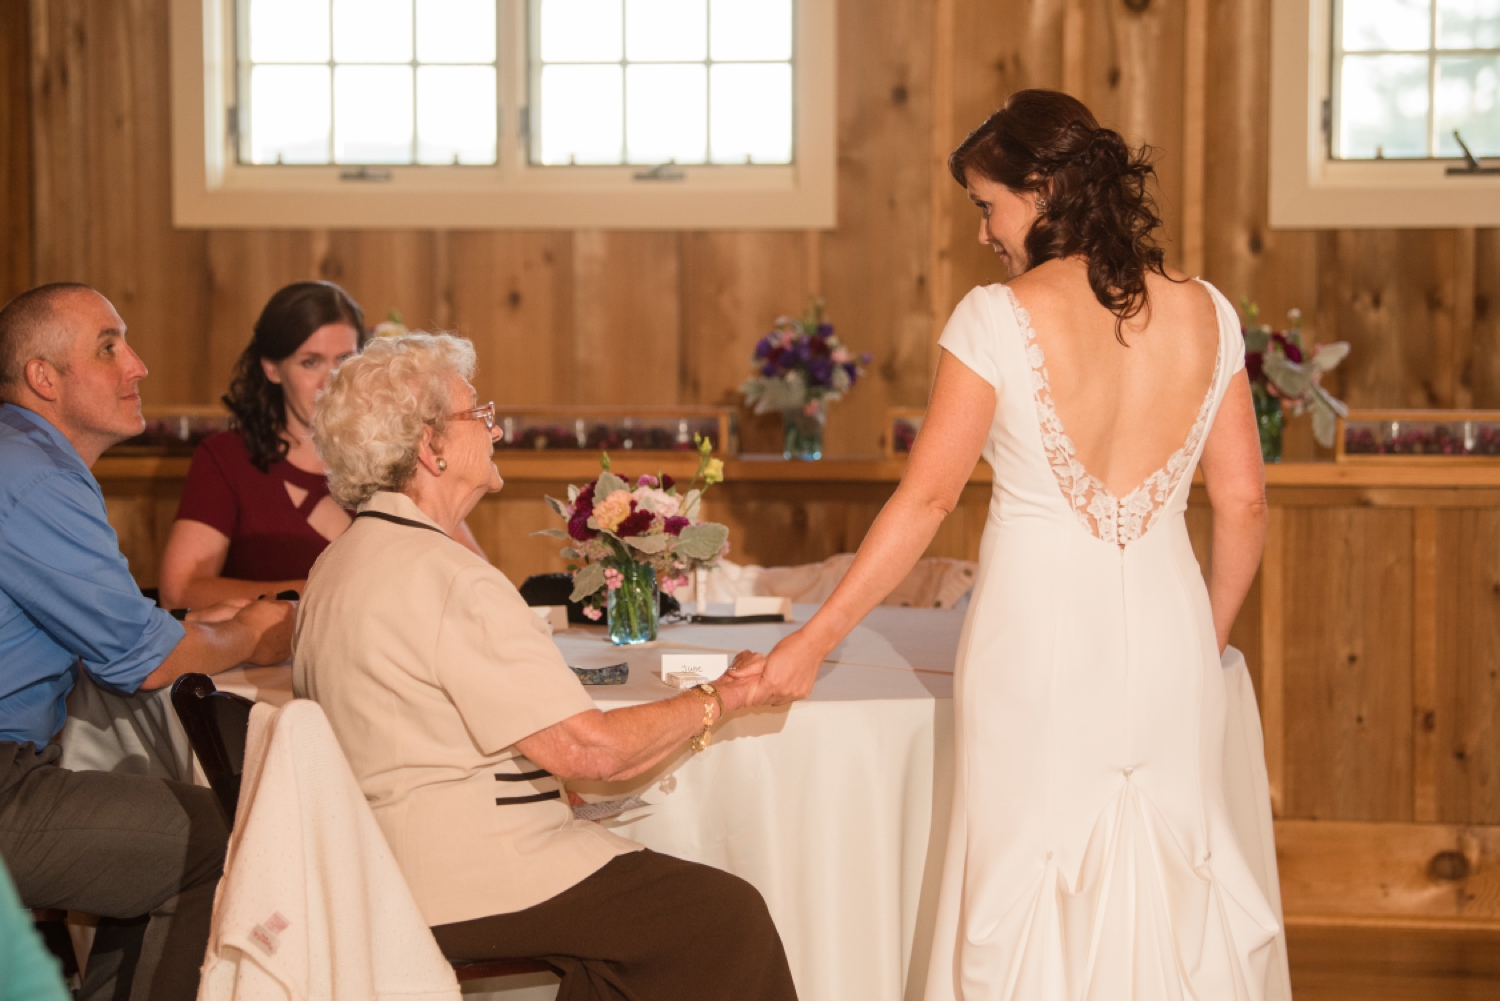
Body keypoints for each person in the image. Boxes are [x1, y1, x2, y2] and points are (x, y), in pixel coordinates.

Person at [736, 90, 1289, 999]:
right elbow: (1244, 503)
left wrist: (812, 641)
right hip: (1170, 639)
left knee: (1024, 879)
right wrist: (1211, 636)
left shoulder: (994, 316)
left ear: (1044, 190)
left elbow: (928, 501)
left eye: (989, 205)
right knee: (1177, 881)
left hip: (1036, 645)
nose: (985, 231)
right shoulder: (1210, 313)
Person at [293, 333, 798, 1001]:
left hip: (368, 869)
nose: (496, 428)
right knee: (724, 917)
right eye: (480, 414)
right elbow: (591, 751)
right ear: (430, 444)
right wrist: (723, 696)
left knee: (630, 943)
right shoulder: (447, 577)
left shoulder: (335, 566)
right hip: (467, 875)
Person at [0, 283, 294, 1001]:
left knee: (182, 816)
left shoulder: (25, 460)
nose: (138, 364)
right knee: (222, 844)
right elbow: (148, 658)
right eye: (109, 347)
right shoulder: (32, 477)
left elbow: (123, 625)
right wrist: (252, 633)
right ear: (44, 376)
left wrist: (210, 626)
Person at [159, 281, 484, 609]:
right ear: (272, 367)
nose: (330, 380)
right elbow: (181, 590)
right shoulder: (226, 458)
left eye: (344, 359)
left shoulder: (395, 450)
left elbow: (476, 579)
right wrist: (331, 590)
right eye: (310, 362)